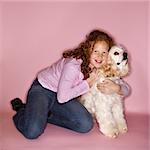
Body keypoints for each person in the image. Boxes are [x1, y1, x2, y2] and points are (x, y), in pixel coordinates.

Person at [10, 29, 130, 139]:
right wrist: (88, 83)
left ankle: (46, 113)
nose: (100, 56)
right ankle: (21, 110)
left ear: (108, 55)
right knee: (32, 131)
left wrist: (117, 87)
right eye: (96, 51)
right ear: (88, 50)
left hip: (64, 96)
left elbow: (126, 88)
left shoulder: (102, 67)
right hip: (43, 89)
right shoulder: (73, 65)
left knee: (85, 125)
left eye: (104, 52)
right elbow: (62, 97)